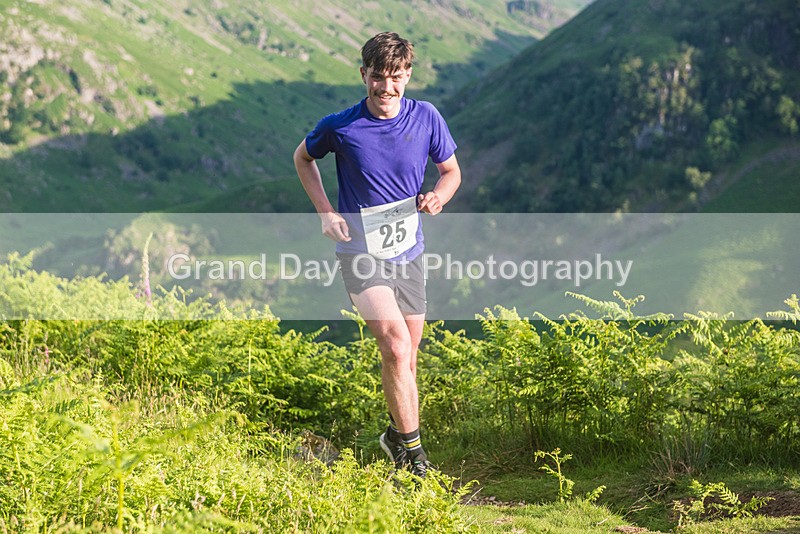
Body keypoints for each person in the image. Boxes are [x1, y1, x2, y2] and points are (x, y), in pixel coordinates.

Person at [293, 31, 461, 479]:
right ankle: (415, 457)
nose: (387, 88)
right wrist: (325, 213)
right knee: (395, 342)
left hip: (409, 251)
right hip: (359, 252)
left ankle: (394, 435)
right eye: (379, 78)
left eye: (397, 78)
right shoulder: (340, 126)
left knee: (407, 356)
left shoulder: (426, 117)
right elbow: (302, 158)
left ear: (408, 76)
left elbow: (451, 171)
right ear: (364, 74)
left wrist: (439, 197)